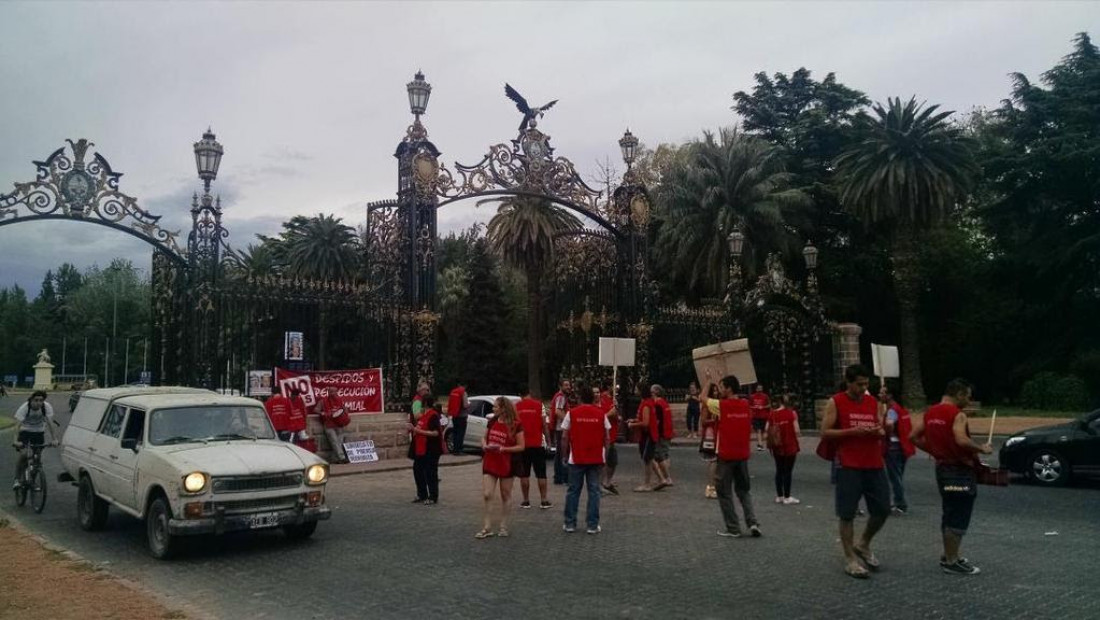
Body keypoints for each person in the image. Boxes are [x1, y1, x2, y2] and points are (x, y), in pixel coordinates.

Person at [910, 379, 992, 576]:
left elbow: (913, 437)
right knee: (959, 513)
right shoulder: (958, 414)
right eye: (968, 397)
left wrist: (935, 451)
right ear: (960, 394)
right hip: (959, 471)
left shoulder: (930, 412)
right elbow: (961, 439)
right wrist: (982, 448)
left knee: (949, 511)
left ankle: (949, 554)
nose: (969, 401)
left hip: (942, 470)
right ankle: (952, 561)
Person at [821, 364, 890, 579]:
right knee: (847, 513)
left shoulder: (873, 402)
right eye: (859, 384)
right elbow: (825, 432)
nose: (863, 388)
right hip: (849, 464)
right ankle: (850, 559)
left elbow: (880, 427)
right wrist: (853, 431)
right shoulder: (836, 401)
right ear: (849, 382)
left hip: (874, 462)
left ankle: (863, 544)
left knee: (882, 509)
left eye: (866, 384)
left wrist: (879, 430)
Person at [703, 372, 762, 539]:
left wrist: (708, 381)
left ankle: (733, 527)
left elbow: (702, 398)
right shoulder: (745, 404)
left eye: (721, 387)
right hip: (742, 454)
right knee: (744, 491)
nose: (719, 390)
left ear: (728, 389)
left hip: (726, 454)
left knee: (723, 492)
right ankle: (752, 522)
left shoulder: (722, 405)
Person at [560, 383, 611, 534]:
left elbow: (564, 436)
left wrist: (564, 455)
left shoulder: (572, 413)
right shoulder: (601, 414)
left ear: (581, 398)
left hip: (576, 457)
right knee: (594, 491)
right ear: (593, 398)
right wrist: (605, 456)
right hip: (596, 458)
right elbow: (607, 438)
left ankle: (570, 523)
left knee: (573, 491)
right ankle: (592, 525)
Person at [476, 397, 525, 538]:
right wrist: (484, 444)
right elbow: (483, 437)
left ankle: (503, 525)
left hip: (506, 462)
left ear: (503, 408)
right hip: (490, 460)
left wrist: (503, 449)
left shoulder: (516, 425)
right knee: (487, 494)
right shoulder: (492, 421)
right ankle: (487, 526)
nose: (493, 409)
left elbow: (521, 446)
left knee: (505, 494)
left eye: (496, 407)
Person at [12, 391, 60, 489]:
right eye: (36, 400)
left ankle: (32, 481)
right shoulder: (24, 408)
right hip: (25, 431)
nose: (39, 403)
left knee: (37, 459)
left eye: (41, 400)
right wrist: (15, 441)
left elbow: (50, 424)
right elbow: (17, 426)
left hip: (38, 432)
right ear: (31, 400)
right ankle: (17, 479)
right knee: (24, 454)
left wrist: (55, 439)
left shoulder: (46, 407)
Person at [880, 383, 915, 515]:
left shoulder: (892, 410)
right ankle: (899, 502)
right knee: (898, 476)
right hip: (902, 446)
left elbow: (889, 424)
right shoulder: (901, 409)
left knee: (895, 477)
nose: (880, 395)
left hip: (893, 447)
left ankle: (900, 504)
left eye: (882, 392)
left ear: (889, 395)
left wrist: (885, 431)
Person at [516, 388, 552, 509]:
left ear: (520, 395)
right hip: (538, 444)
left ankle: (526, 500)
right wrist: (549, 442)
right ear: (530, 393)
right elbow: (544, 425)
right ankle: (544, 500)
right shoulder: (539, 405)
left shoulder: (516, 407)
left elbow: (514, 426)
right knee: (541, 474)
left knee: (524, 474)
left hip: (522, 445)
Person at [409, 393, 444, 505]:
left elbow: (435, 433)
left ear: (424, 404)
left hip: (431, 449)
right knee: (417, 470)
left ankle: (433, 496)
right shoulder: (423, 415)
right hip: (421, 449)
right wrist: (413, 429)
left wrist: (419, 431)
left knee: (431, 473)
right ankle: (422, 494)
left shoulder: (433, 415)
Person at [766, 394, 802, 505]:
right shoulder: (792, 414)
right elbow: (797, 431)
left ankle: (779, 496)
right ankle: (787, 496)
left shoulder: (773, 414)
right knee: (788, 471)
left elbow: (767, 428)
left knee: (779, 470)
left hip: (777, 446)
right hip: (790, 446)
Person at [626, 383, 660, 492]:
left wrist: (633, 425)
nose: (635, 390)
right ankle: (661, 478)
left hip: (648, 435)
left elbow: (645, 423)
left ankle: (647, 483)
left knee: (647, 460)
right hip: (648, 434)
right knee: (649, 459)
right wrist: (634, 420)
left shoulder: (646, 404)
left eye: (636, 389)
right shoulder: (647, 403)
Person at [314, 386, 351, 463]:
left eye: (334, 391)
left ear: (337, 392)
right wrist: (322, 413)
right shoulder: (323, 401)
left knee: (338, 442)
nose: (333, 393)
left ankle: (335, 459)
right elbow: (316, 409)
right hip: (329, 424)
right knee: (334, 441)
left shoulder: (339, 400)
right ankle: (342, 457)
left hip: (339, 424)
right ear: (328, 392)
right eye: (331, 391)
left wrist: (345, 416)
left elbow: (345, 409)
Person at [549, 379, 573, 485]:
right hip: (561, 429)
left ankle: (558, 477)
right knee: (563, 453)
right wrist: (568, 422)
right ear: (561, 386)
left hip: (559, 428)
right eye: (566, 385)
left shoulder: (560, 397)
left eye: (569, 385)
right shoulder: (560, 397)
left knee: (560, 453)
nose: (568, 387)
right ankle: (562, 477)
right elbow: (558, 411)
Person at [600, 380, 620, 495]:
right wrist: (610, 413)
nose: (616, 388)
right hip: (605, 435)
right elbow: (601, 415)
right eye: (615, 386)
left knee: (612, 461)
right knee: (604, 460)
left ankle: (608, 481)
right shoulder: (603, 398)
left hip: (612, 434)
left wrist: (617, 415)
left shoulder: (613, 399)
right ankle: (602, 483)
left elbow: (614, 414)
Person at [651, 384, 674, 486]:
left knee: (659, 456)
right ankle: (665, 476)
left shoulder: (658, 404)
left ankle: (666, 477)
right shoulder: (664, 403)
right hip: (668, 432)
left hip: (662, 433)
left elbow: (657, 421)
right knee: (665, 455)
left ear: (655, 392)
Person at [700, 384, 720, 499]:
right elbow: (703, 421)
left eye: (717, 390)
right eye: (714, 391)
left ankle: (714, 486)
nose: (716, 393)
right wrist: (714, 420)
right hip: (710, 434)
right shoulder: (707, 405)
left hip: (717, 433)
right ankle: (710, 487)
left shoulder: (718, 403)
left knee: (717, 461)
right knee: (713, 460)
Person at [447, 384, 469, 454]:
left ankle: (455, 449)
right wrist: (469, 405)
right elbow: (465, 405)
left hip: (454, 416)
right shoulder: (463, 392)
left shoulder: (453, 392)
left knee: (455, 433)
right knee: (461, 433)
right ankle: (459, 450)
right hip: (462, 416)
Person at [750, 384, 771, 451]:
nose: (759, 390)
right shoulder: (752, 397)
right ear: (756, 389)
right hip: (755, 415)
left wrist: (763, 407)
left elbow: (769, 405)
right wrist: (754, 407)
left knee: (762, 430)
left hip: (763, 415)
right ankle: (760, 444)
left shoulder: (765, 396)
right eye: (758, 388)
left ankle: (760, 443)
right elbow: (749, 405)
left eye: (760, 388)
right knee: (758, 430)